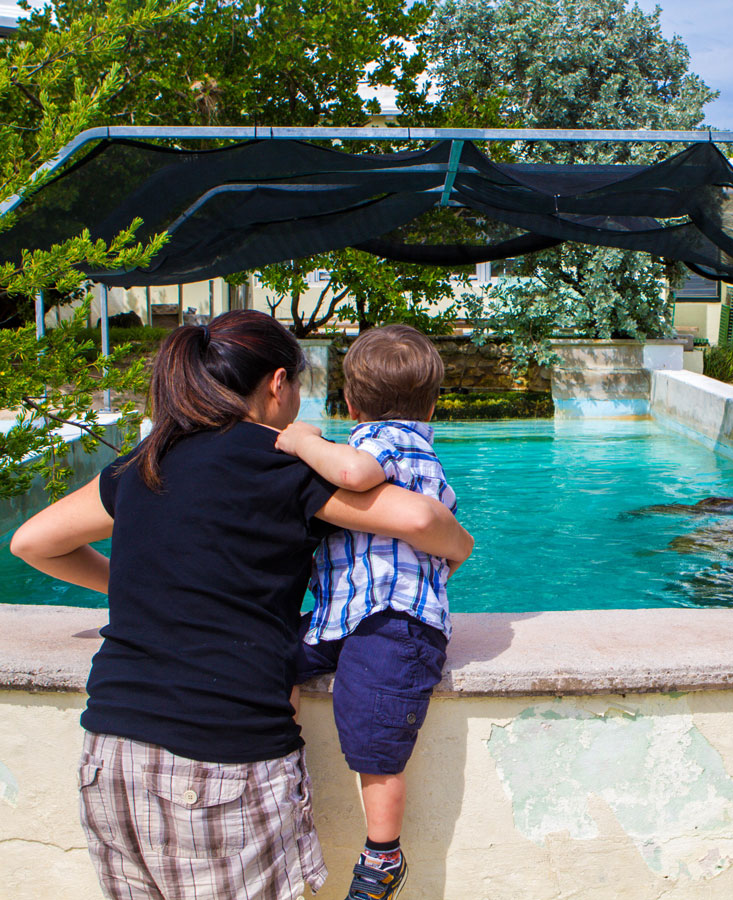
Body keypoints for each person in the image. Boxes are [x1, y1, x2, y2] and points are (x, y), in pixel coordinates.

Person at [9, 310, 474, 900]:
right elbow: (417, 518)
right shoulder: (278, 459)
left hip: (109, 754)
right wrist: (462, 545)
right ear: (277, 383)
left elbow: (33, 543)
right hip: (221, 761)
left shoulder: (150, 456)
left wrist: (143, 584)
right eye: (299, 389)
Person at [274, 324, 455, 900]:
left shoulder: (393, 441)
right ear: (433, 401)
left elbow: (353, 474)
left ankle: (383, 855)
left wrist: (298, 438)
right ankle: (282, 767)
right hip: (347, 616)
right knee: (272, 656)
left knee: (374, 736)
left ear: (349, 403)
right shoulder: (393, 444)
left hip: (393, 621)